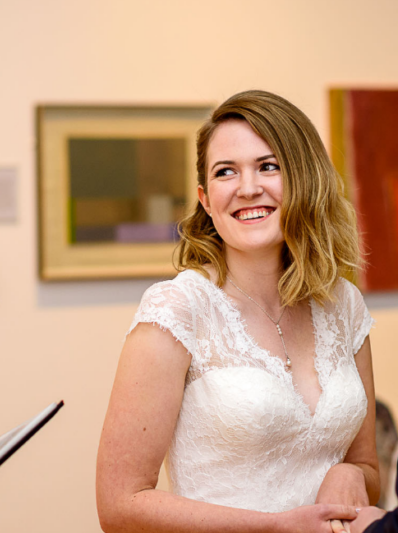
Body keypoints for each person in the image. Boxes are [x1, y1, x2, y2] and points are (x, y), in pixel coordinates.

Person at [96, 90, 378, 533]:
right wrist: (275, 527)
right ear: (206, 200)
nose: (248, 188)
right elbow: (120, 506)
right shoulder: (177, 309)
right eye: (226, 172)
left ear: (305, 179)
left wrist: (349, 474)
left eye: (268, 166)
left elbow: (367, 468)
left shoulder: (343, 305)